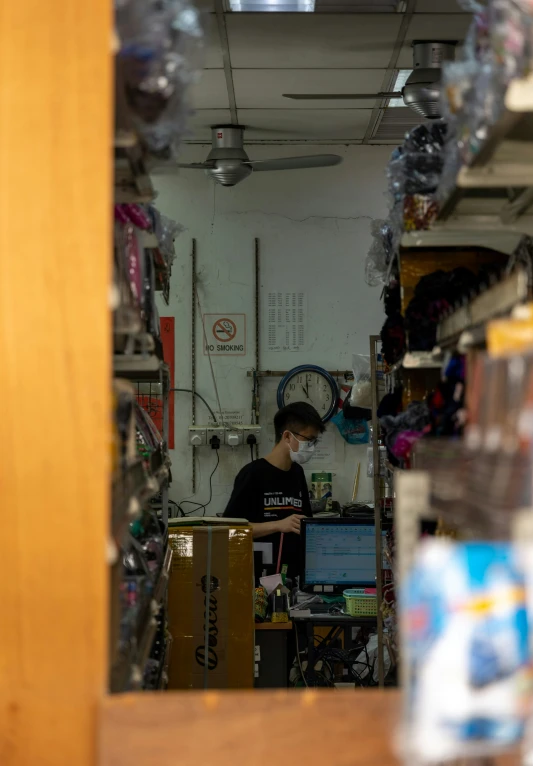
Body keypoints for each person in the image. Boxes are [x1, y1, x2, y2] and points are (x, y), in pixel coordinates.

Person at [223, 401, 324, 581]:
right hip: (256, 581)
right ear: (287, 436)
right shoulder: (253, 474)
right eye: (309, 440)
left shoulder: (297, 473)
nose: (312, 447)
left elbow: (305, 524)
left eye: (315, 441)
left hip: (291, 580)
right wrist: (277, 525)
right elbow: (229, 530)